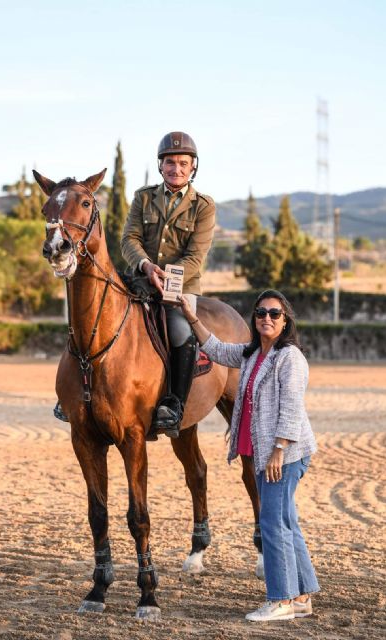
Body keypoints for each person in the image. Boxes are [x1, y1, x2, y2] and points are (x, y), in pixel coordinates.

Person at [179, 289, 320, 622]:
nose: (266, 319)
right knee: (286, 522)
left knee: (272, 524)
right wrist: (191, 316)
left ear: (286, 322)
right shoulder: (252, 354)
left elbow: (291, 409)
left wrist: (277, 452)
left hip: (284, 454)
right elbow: (214, 348)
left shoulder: (290, 358)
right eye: (260, 313)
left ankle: (280, 600)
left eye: (274, 314)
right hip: (267, 452)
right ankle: (301, 596)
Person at [120, 131, 216, 438]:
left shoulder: (203, 206)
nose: (176, 169)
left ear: (193, 168)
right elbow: (129, 239)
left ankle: (174, 404)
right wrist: (146, 266)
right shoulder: (143, 197)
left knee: (178, 327)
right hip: (142, 275)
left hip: (182, 282)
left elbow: (196, 255)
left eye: (183, 163)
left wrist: (166, 276)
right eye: (170, 163)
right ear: (161, 166)